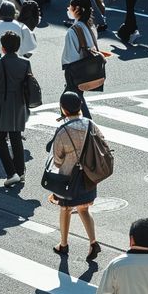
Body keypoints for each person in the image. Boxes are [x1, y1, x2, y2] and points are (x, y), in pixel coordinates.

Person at [47, 91, 101, 260]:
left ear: (63, 109)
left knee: (65, 208)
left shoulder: (63, 131)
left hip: (68, 179)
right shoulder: (91, 124)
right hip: (89, 176)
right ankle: (93, 242)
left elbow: (57, 160)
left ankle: (63, 244)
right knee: (84, 208)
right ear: (80, 106)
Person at [0, 30, 31, 187]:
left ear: (2, 47)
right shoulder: (25, 63)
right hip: (19, 104)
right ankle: (21, 172)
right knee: (16, 136)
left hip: (1, 104)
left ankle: (11, 173)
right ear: (18, 47)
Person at [61, 0, 99, 119]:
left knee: (70, 99)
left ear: (77, 10)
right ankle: (72, 124)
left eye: (70, 8)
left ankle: (86, 125)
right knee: (72, 98)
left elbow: (70, 56)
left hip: (75, 69)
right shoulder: (90, 27)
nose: (68, 10)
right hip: (87, 68)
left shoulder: (73, 30)